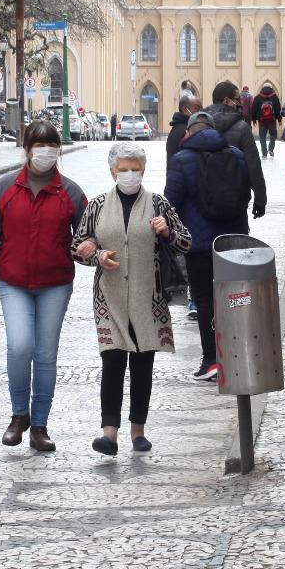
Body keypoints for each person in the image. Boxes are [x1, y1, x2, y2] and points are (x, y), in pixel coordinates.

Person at [73, 142, 191, 454]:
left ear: (143, 171)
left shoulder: (158, 204)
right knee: (112, 361)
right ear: (113, 172)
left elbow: (185, 243)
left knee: (142, 363)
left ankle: (138, 431)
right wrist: (96, 255)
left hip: (148, 298)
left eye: (135, 169)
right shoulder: (98, 205)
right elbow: (77, 247)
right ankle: (109, 434)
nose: (129, 175)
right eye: (123, 170)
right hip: (109, 298)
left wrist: (167, 232)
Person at [0, 121, 87, 452]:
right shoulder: (5, 187)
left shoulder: (70, 192)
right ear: (27, 150)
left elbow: (86, 234)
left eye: (52, 146)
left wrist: (86, 249)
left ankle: (39, 425)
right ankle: (18, 416)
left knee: (46, 354)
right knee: (20, 346)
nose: (47, 152)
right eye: (40, 146)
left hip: (55, 283)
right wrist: (0, 257)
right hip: (14, 282)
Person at [164, 111, 252, 381]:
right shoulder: (236, 155)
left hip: (199, 244)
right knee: (234, 298)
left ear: (188, 133)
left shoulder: (181, 159)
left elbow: (170, 203)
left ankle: (211, 361)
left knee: (203, 300)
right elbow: (245, 193)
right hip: (234, 241)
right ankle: (236, 358)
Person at [204, 81, 267, 216]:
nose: (241, 103)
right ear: (227, 100)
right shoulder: (242, 128)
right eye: (238, 99)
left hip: (203, 199)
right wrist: (260, 200)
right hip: (235, 200)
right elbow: (253, 166)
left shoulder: (197, 126)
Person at [166, 94, 201, 163]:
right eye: (197, 109)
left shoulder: (178, 127)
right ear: (185, 110)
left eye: (201, 109)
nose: (200, 112)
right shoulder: (186, 131)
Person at [251, 83, 282, 157]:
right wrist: (279, 119)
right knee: (273, 135)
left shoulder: (258, 97)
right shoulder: (274, 96)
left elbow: (253, 109)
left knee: (262, 137)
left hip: (261, 120)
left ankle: (264, 153)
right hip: (272, 120)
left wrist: (254, 120)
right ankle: (271, 149)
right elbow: (278, 109)